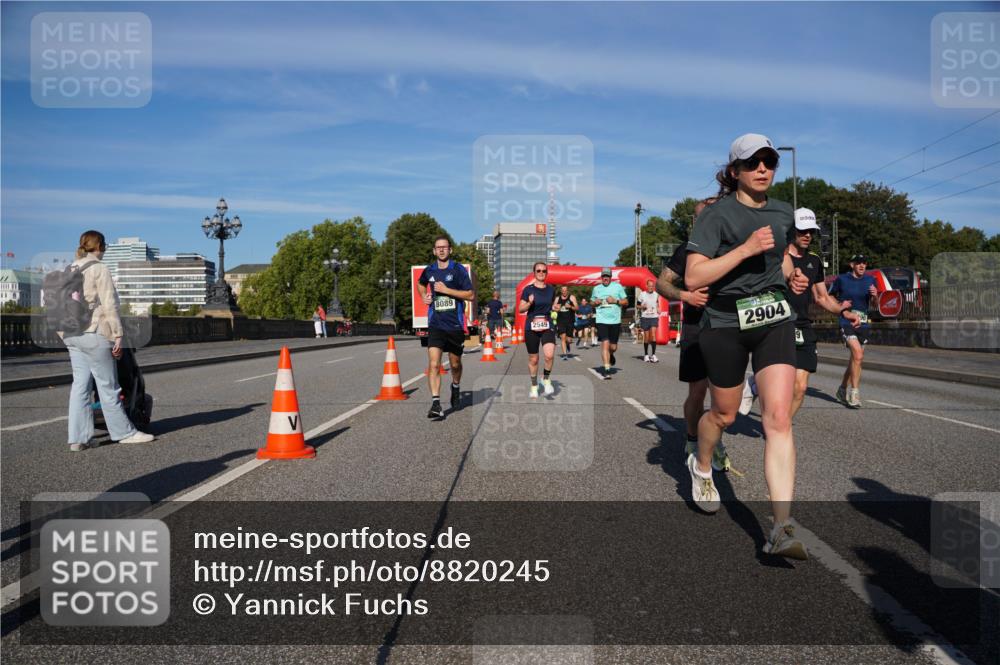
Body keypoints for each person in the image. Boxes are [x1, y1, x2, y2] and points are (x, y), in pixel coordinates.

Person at [684, 133, 810, 560]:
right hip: (724, 321)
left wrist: (792, 275)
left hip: (772, 318)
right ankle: (702, 465)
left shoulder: (783, 211)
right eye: (753, 162)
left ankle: (780, 527)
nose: (763, 168)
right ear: (734, 170)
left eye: (769, 161)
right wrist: (744, 249)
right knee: (723, 413)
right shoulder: (715, 215)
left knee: (778, 417)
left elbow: (781, 257)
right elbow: (694, 278)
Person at [738, 209, 860, 418]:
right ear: (792, 230)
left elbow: (821, 297)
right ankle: (755, 384)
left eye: (811, 231)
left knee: (800, 387)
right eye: (802, 230)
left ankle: (781, 426)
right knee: (778, 379)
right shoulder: (777, 256)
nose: (807, 235)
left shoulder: (814, 261)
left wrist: (842, 311)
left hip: (803, 325)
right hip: (777, 322)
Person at [61, 230, 154, 451]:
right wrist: (117, 335)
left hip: (72, 334)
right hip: (94, 332)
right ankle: (124, 432)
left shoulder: (69, 269)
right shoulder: (99, 268)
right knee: (108, 386)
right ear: (100, 246)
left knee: (80, 387)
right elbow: (110, 304)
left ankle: (78, 438)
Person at [656, 198, 725, 469]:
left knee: (724, 395)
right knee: (698, 391)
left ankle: (714, 441)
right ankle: (693, 437)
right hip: (697, 326)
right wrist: (685, 295)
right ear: (695, 222)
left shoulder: (732, 248)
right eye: (703, 217)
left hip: (729, 326)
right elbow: (661, 283)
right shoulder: (688, 250)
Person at [417, 236, 474, 419]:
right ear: (434, 251)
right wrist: (424, 296)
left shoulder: (458, 270)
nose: (441, 250)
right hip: (436, 324)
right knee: (434, 364)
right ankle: (435, 403)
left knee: (455, 364)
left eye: (445, 247)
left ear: (450, 250)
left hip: (455, 324)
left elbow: (470, 294)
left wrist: (447, 290)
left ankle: (455, 387)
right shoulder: (430, 270)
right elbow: (420, 283)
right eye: (438, 248)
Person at [828, 254, 877, 408]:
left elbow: (875, 304)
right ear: (852, 265)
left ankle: (842, 389)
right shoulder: (842, 279)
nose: (862, 266)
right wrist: (841, 305)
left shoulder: (871, 280)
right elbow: (828, 297)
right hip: (846, 321)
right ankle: (854, 394)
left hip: (863, 323)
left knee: (856, 359)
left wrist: (875, 296)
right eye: (858, 263)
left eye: (864, 263)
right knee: (858, 354)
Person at [519, 261, 557, 397]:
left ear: (547, 273)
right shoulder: (528, 289)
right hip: (531, 326)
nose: (541, 273)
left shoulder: (551, 289)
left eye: (544, 271)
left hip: (547, 324)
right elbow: (521, 309)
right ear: (534, 273)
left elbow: (551, 305)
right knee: (534, 359)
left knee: (549, 355)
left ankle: (545, 379)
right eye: (538, 271)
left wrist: (555, 307)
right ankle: (534, 385)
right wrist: (529, 302)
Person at [591, 267, 628, 380]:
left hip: (615, 321)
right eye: (604, 276)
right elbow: (591, 302)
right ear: (601, 277)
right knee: (605, 343)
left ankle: (611, 354)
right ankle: (607, 369)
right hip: (601, 320)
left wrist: (616, 301)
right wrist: (595, 302)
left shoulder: (618, 287)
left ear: (611, 277)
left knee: (613, 347)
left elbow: (626, 302)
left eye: (607, 276)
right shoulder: (596, 288)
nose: (605, 278)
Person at [637, 279, 661, 363]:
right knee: (647, 337)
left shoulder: (656, 294)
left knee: (653, 335)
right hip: (645, 317)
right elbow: (637, 305)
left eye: (652, 286)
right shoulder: (642, 294)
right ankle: (646, 355)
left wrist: (658, 309)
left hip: (654, 317)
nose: (651, 287)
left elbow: (657, 304)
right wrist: (642, 307)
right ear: (646, 286)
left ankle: (653, 355)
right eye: (649, 286)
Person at [554, 286, 578, 360]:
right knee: (563, 337)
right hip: (560, 321)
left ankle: (568, 344)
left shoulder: (572, 297)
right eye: (563, 290)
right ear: (561, 291)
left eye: (565, 290)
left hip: (570, 321)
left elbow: (577, 308)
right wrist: (557, 308)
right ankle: (565, 355)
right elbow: (554, 308)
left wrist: (570, 306)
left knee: (569, 340)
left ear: (568, 291)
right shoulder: (557, 299)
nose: (564, 292)